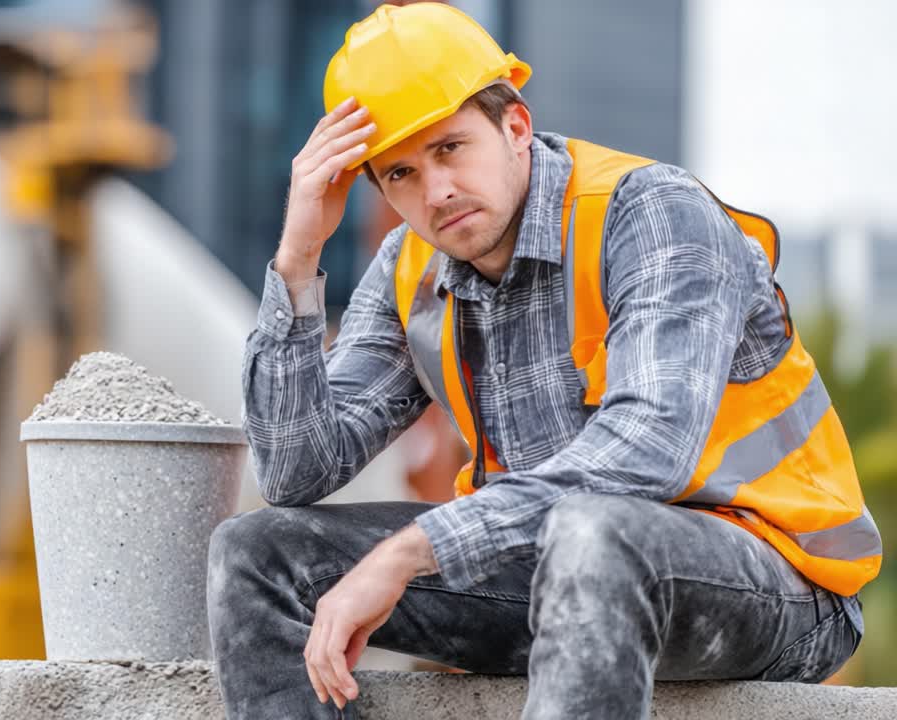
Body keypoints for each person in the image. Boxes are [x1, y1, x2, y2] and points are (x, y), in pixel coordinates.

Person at [205, 3, 881, 719]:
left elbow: (648, 452)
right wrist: (298, 255)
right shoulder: (410, 268)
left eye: (451, 149)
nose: (435, 192)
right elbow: (292, 470)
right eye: (401, 172)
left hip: (779, 583)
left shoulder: (649, 215)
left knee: (591, 532)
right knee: (257, 553)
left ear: (516, 128)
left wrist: (408, 552)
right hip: (552, 576)